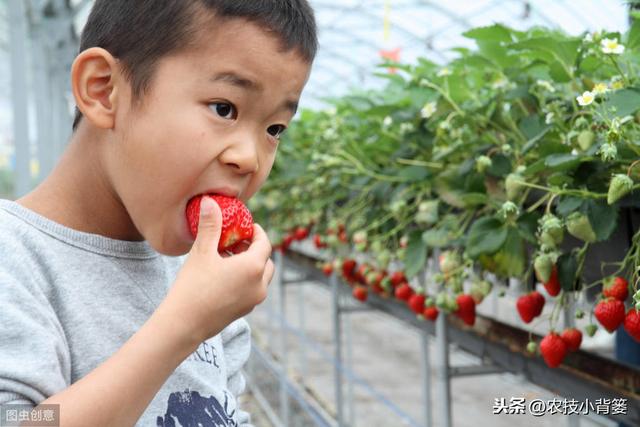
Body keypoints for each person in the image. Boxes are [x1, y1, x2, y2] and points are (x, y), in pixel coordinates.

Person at [0, 1, 317, 426]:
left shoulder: (199, 278)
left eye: (274, 129)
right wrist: (182, 325)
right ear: (103, 90)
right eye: (224, 108)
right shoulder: (15, 260)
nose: (250, 158)